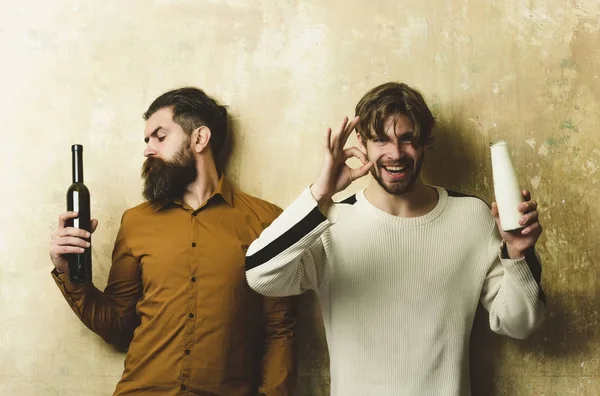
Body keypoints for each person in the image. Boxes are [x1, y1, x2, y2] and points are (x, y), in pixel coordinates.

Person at [244, 82, 545, 396]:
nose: (396, 154)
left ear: (426, 141)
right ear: (361, 143)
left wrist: (519, 253)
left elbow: (520, 324)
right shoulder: (331, 221)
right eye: (380, 140)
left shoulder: (471, 217)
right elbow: (260, 275)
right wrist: (319, 194)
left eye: (407, 139)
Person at [49, 87, 297, 396]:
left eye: (160, 137)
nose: (148, 149)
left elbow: (278, 331)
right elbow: (116, 326)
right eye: (147, 140)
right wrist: (67, 272)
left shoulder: (265, 221)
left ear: (199, 139)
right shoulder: (136, 222)